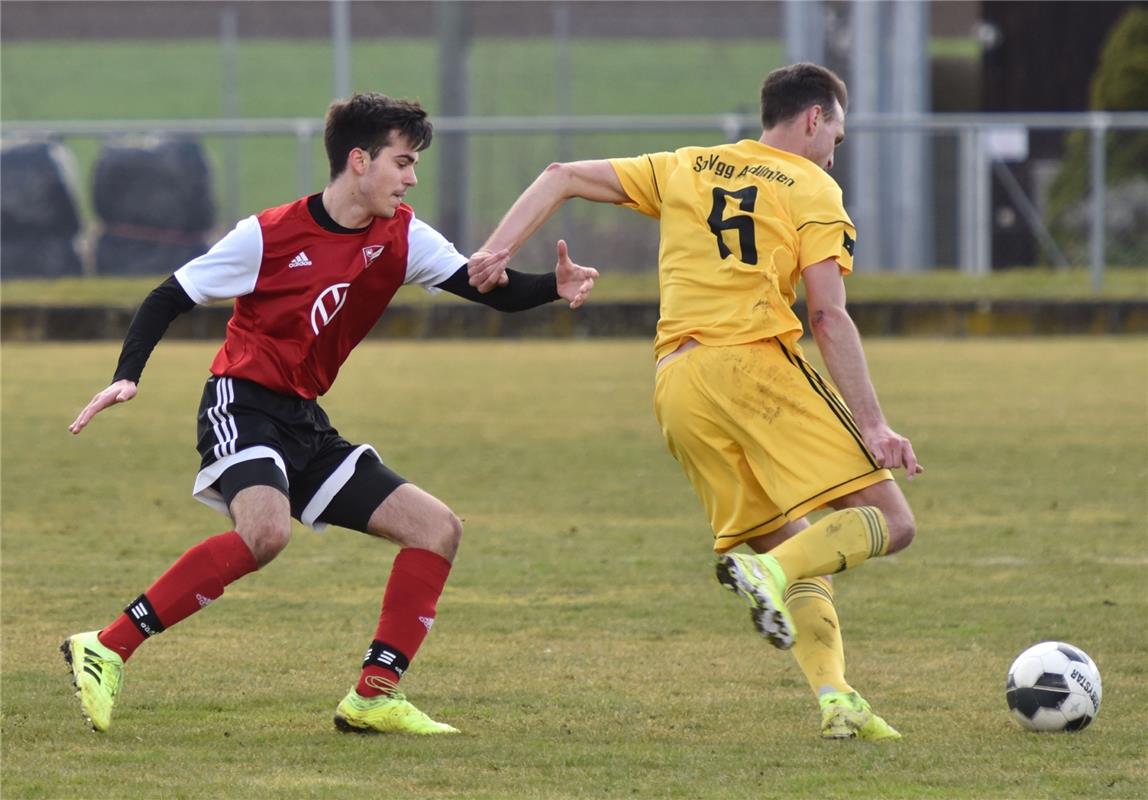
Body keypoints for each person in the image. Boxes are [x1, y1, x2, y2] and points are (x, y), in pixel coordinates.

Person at [62, 92, 598, 736]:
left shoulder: (403, 237)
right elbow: (167, 297)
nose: (411, 178)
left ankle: (374, 695)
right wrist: (127, 377)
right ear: (359, 161)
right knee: (266, 533)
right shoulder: (268, 235)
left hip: (304, 420)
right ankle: (108, 645)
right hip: (242, 401)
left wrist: (551, 286)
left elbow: (487, 289)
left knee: (437, 529)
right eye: (402, 163)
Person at [468, 63, 923, 741]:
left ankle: (837, 699)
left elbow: (561, 173)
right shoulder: (815, 186)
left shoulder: (690, 164)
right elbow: (827, 316)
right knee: (890, 520)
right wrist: (875, 424)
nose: (836, 150)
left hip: (677, 385)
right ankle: (765, 572)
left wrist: (495, 252)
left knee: (789, 540)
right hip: (754, 367)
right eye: (839, 135)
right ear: (813, 120)